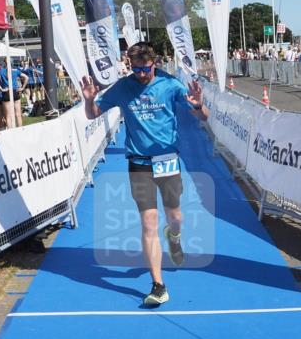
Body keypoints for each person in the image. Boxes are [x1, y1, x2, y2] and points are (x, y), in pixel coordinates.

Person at [81, 42, 208, 308]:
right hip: (138, 162)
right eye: (135, 69)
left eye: (145, 69)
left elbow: (202, 117)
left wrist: (199, 106)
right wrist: (89, 99)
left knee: (174, 216)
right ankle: (158, 285)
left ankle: (174, 236)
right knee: (148, 223)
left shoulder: (170, 85)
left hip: (167, 160)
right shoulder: (123, 87)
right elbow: (93, 114)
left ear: (155, 63)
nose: (140, 75)